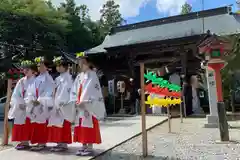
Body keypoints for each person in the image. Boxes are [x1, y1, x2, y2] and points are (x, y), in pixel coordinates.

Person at [70, 52, 106, 156]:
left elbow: (93, 90)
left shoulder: (92, 74)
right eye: (79, 62)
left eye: (83, 61)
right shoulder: (79, 76)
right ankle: (83, 145)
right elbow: (75, 89)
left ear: (88, 62)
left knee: (88, 125)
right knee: (81, 125)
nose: (80, 64)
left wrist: (85, 101)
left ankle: (89, 146)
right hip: (80, 103)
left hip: (88, 104)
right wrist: (75, 100)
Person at [25, 56, 55, 151]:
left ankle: (42, 143)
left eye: (41, 66)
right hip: (36, 103)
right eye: (38, 66)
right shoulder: (37, 78)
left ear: (46, 67)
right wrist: (31, 98)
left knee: (42, 124)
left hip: (43, 104)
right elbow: (31, 90)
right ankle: (39, 142)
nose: (39, 68)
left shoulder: (48, 78)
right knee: (36, 124)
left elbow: (49, 91)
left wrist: (40, 100)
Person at [8, 60, 37, 150]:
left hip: (30, 106)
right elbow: (16, 93)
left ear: (33, 70)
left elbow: (36, 93)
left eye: (27, 69)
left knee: (29, 124)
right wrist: (18, 102)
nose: (25, 71)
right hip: (20, 106)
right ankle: (23, 142)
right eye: (24, 69)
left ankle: (29, 141)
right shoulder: (21, 81)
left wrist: (28, 103)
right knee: (20, 124)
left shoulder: (36, 80)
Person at [47, 56, 74, 152]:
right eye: (57, 66)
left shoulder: (69, 78)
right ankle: (59, 142)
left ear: (65, 66)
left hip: (65, 104)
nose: (57, 68)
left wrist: (64, 101)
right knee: (56, 124)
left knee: (64, 124)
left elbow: (69, 91)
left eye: (59, 66)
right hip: (57, 103)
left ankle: (63, 144)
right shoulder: (58, 78)